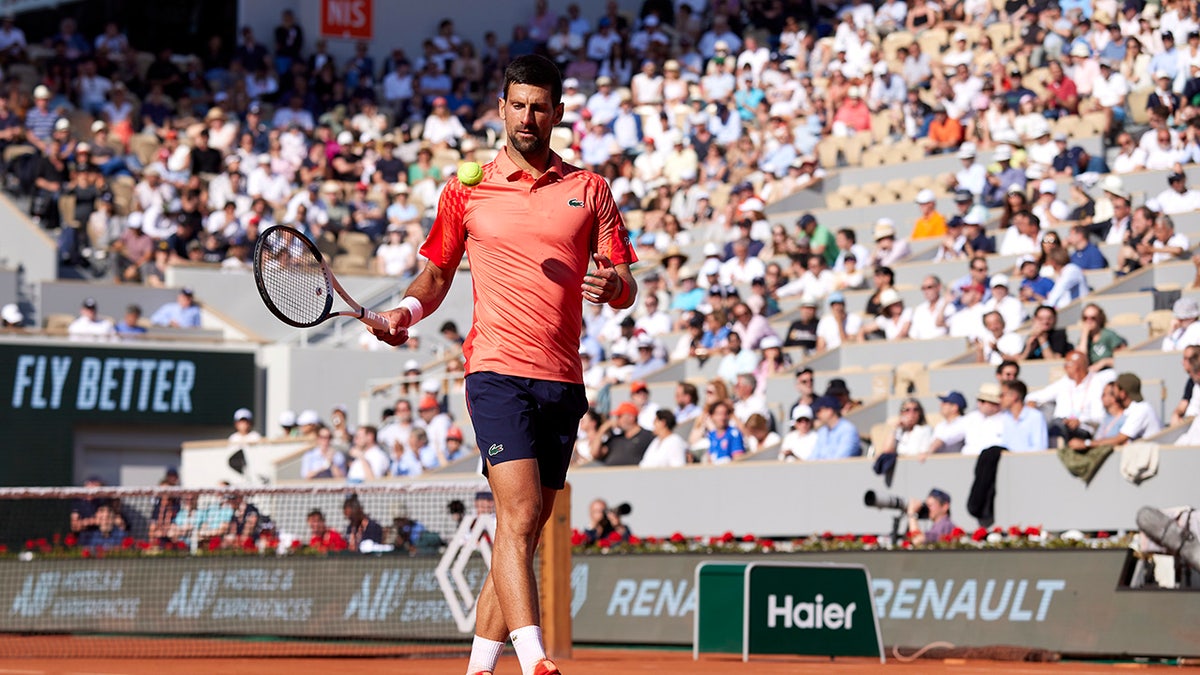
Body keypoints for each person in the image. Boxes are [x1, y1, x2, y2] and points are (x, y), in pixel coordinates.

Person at [371, 54, 636, 675]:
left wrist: (612, 288)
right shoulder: (467, 187)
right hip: (494, 371)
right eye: (517, 105)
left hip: (563, 378)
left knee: (522, 535)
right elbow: (435, 274)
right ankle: (536, 661)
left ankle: (478, 670)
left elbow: (624, 282)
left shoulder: (590, 189)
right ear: (502, 109)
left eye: (539, 106)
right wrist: (405, 314)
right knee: (516, 518)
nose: (527, 116)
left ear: (557, 113)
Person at [689, 399, 746, 464]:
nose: (722, 417)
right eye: (719, 414)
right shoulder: (711, 435)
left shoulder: (734, 434)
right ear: (712, 416)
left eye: (725, 413)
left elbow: (738, 459)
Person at [999, 380, 1049, 453]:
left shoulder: (1035, 417)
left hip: (1030, 462)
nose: (1000, 398)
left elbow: (1040, 447)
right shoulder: (1004, 417)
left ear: (1014, 396)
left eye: (1002, 395)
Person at [596, 402, 653, 466]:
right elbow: (595, 453)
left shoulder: (647, 436)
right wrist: (601, 430)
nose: (617, 420)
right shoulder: (616, 438)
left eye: (619, 416)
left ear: (631, 417)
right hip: (611, 474)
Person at [810, 395, 861, 459]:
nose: (817, 415)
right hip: (823, 467)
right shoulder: (822, 431)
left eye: (819, 411)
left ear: (829, 411)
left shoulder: (848, 430)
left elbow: (841, 457)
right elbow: (813, 457)